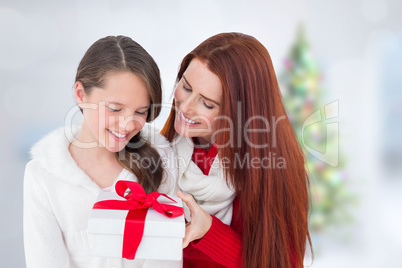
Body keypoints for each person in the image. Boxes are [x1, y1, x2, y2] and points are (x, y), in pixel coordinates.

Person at [24, 35, 178, 268]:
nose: (128, 125)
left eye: (140, 112)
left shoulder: (159, 161)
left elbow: (165, 260)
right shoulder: (44, 174)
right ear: (80, 94)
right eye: (115, 109)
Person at [161, 32, 312, 268]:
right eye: (186, 87)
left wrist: (209, 230)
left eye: (207, 103)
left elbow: (280, 263)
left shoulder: (270, 169)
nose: (186, 107)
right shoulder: (165, 146)